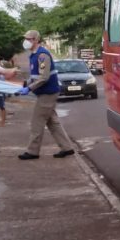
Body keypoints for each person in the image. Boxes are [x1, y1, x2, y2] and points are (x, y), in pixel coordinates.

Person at [16, 30, 74, 159]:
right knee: (53, 122)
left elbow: (43, 77)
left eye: (29, 39)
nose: (26, 41)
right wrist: (25, 85)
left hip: (47, 93)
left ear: (36, 40)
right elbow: (35, 76)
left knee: (37, 122)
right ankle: (67, 148)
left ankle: (32, 151)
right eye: (25, 38)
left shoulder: (42, 55)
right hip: (45, 92)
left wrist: (29, 88)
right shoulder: (34, 55)